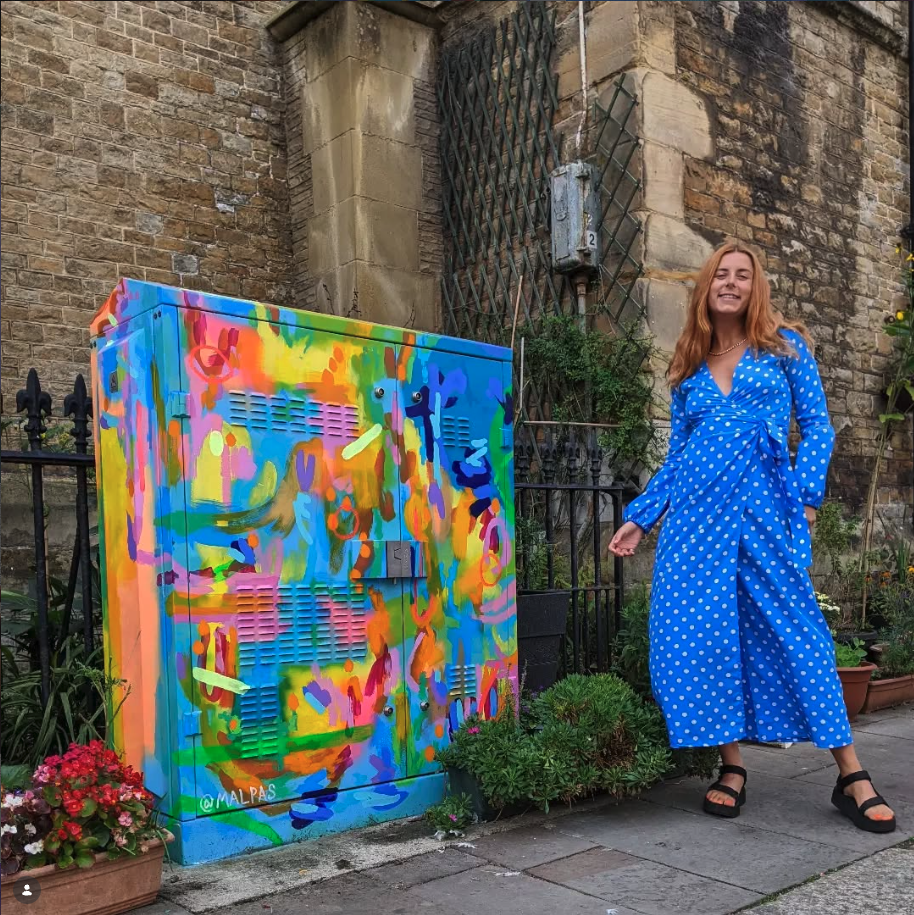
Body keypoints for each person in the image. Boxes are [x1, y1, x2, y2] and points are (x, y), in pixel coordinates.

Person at [608, 241, 896, 833]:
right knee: (700, 638)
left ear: (754, 286)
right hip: (694, 524)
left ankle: (850, 774)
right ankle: (731, 767)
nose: (731, 282)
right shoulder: (688, 369)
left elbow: (816, 425)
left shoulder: (784, 348)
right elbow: (679, 455)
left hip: (766, 515)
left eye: (743, 274)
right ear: (706, 287)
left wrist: (808, 503)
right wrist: (642, 515)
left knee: (800, 636)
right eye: (721, 273)